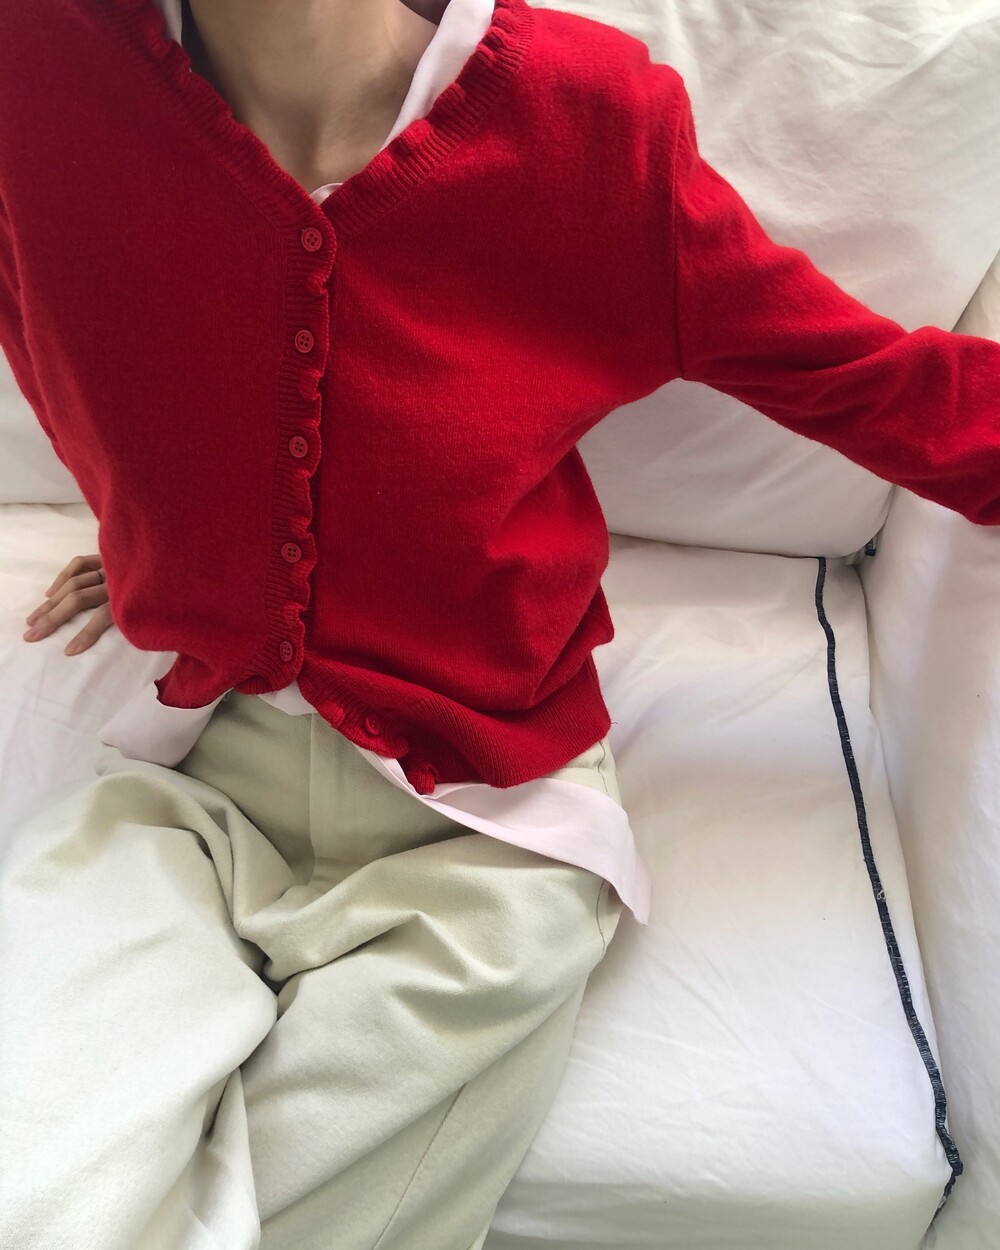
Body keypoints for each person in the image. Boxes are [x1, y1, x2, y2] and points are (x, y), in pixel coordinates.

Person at [4, 1, 1000, 1248]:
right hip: (188, 782)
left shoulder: (582, 129)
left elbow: (861, 378)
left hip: (488, 813)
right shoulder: (40, 71)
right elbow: (54, 315)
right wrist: (166, 531)